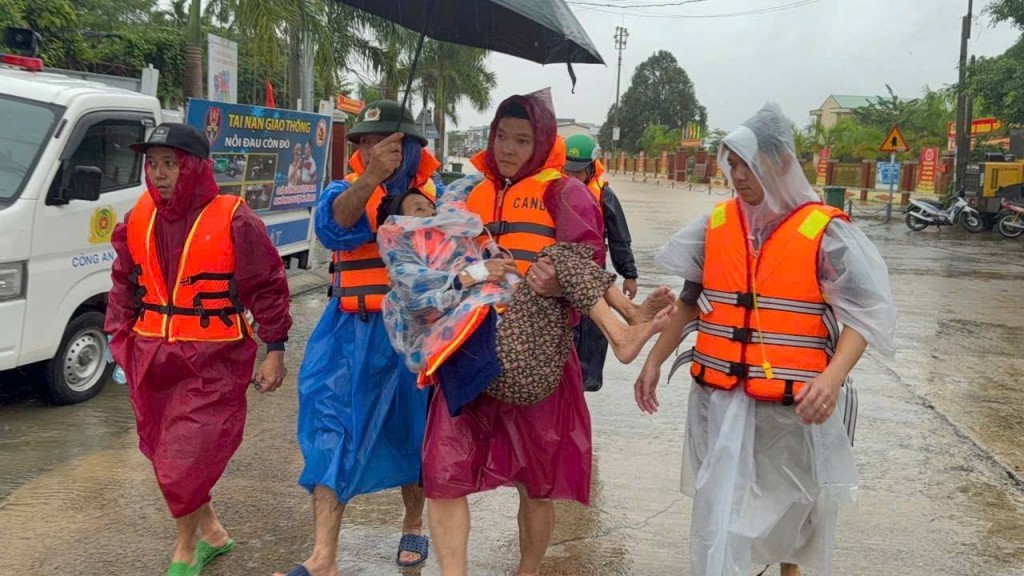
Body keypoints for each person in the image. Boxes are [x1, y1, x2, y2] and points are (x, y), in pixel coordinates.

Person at [634, 103, 896, 576]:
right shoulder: (718, 224)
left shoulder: (824, 232)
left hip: (793, 410)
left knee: (796, 522)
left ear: (778, 162)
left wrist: (834, 378)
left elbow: (865, 314)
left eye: (745, 162)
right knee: (724, 513)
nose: (735, 173)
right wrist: (654, 360)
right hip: (723, 402)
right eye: (730, 162)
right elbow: (692, 299)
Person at [421, 88, 602, 576]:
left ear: (541, 144)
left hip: (536, 354)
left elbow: (589, 262)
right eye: (502, 136)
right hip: (469, 347)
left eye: (522, 140)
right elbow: (428, 261)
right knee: (443, 470)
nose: (508, 148)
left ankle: (528, 571)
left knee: (537, 481)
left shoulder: (564, 192)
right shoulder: (462, 194)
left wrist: (554, 280)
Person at [105, 123, 292, 576]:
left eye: (171, 163)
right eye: (153, 163)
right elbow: (122, 282)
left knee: (185, 457)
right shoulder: (138, 217)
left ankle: (186, 548)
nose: (160, 173)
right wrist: (119, 338)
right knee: (163, 450)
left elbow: (268, 285)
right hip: (151, 353)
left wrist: (276, 349)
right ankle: (213, 532)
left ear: (195, 167)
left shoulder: (234, 217)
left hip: (215, 358)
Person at [275, 101, 441, 576]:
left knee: (416, 435)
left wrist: (414, 215)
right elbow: (334, 231)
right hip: (349, 331)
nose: (369, 148)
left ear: (409, 147)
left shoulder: (437, 196)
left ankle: (414, 520)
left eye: (380, 141)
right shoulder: (343, 189)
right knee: (329, 432)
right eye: (364, 142)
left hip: (412, 335)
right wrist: (371, 180)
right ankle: (323, 556)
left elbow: (452, 256)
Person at [375, 188, 674, 409]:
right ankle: (622, 333)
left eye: (429, 205)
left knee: (558, 257)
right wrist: (480, 271)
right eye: (417, 209)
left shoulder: (458, 232)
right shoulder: (403, 249)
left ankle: (630, 314)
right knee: (556, 256)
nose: (428, 213)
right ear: (398, 221)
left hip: (519, 343)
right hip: (488, 357)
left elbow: (475, 182)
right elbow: (418, 300)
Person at [562, 134, 640, 392]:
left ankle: (585, 386)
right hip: (562, 278)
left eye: (578, 172)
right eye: (567, 171)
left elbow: (619, 238)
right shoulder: (553, 191)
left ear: (591, 168)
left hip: (594, 279)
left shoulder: (604, 195)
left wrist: (629, 275)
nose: (572, 178)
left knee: (593, 335)